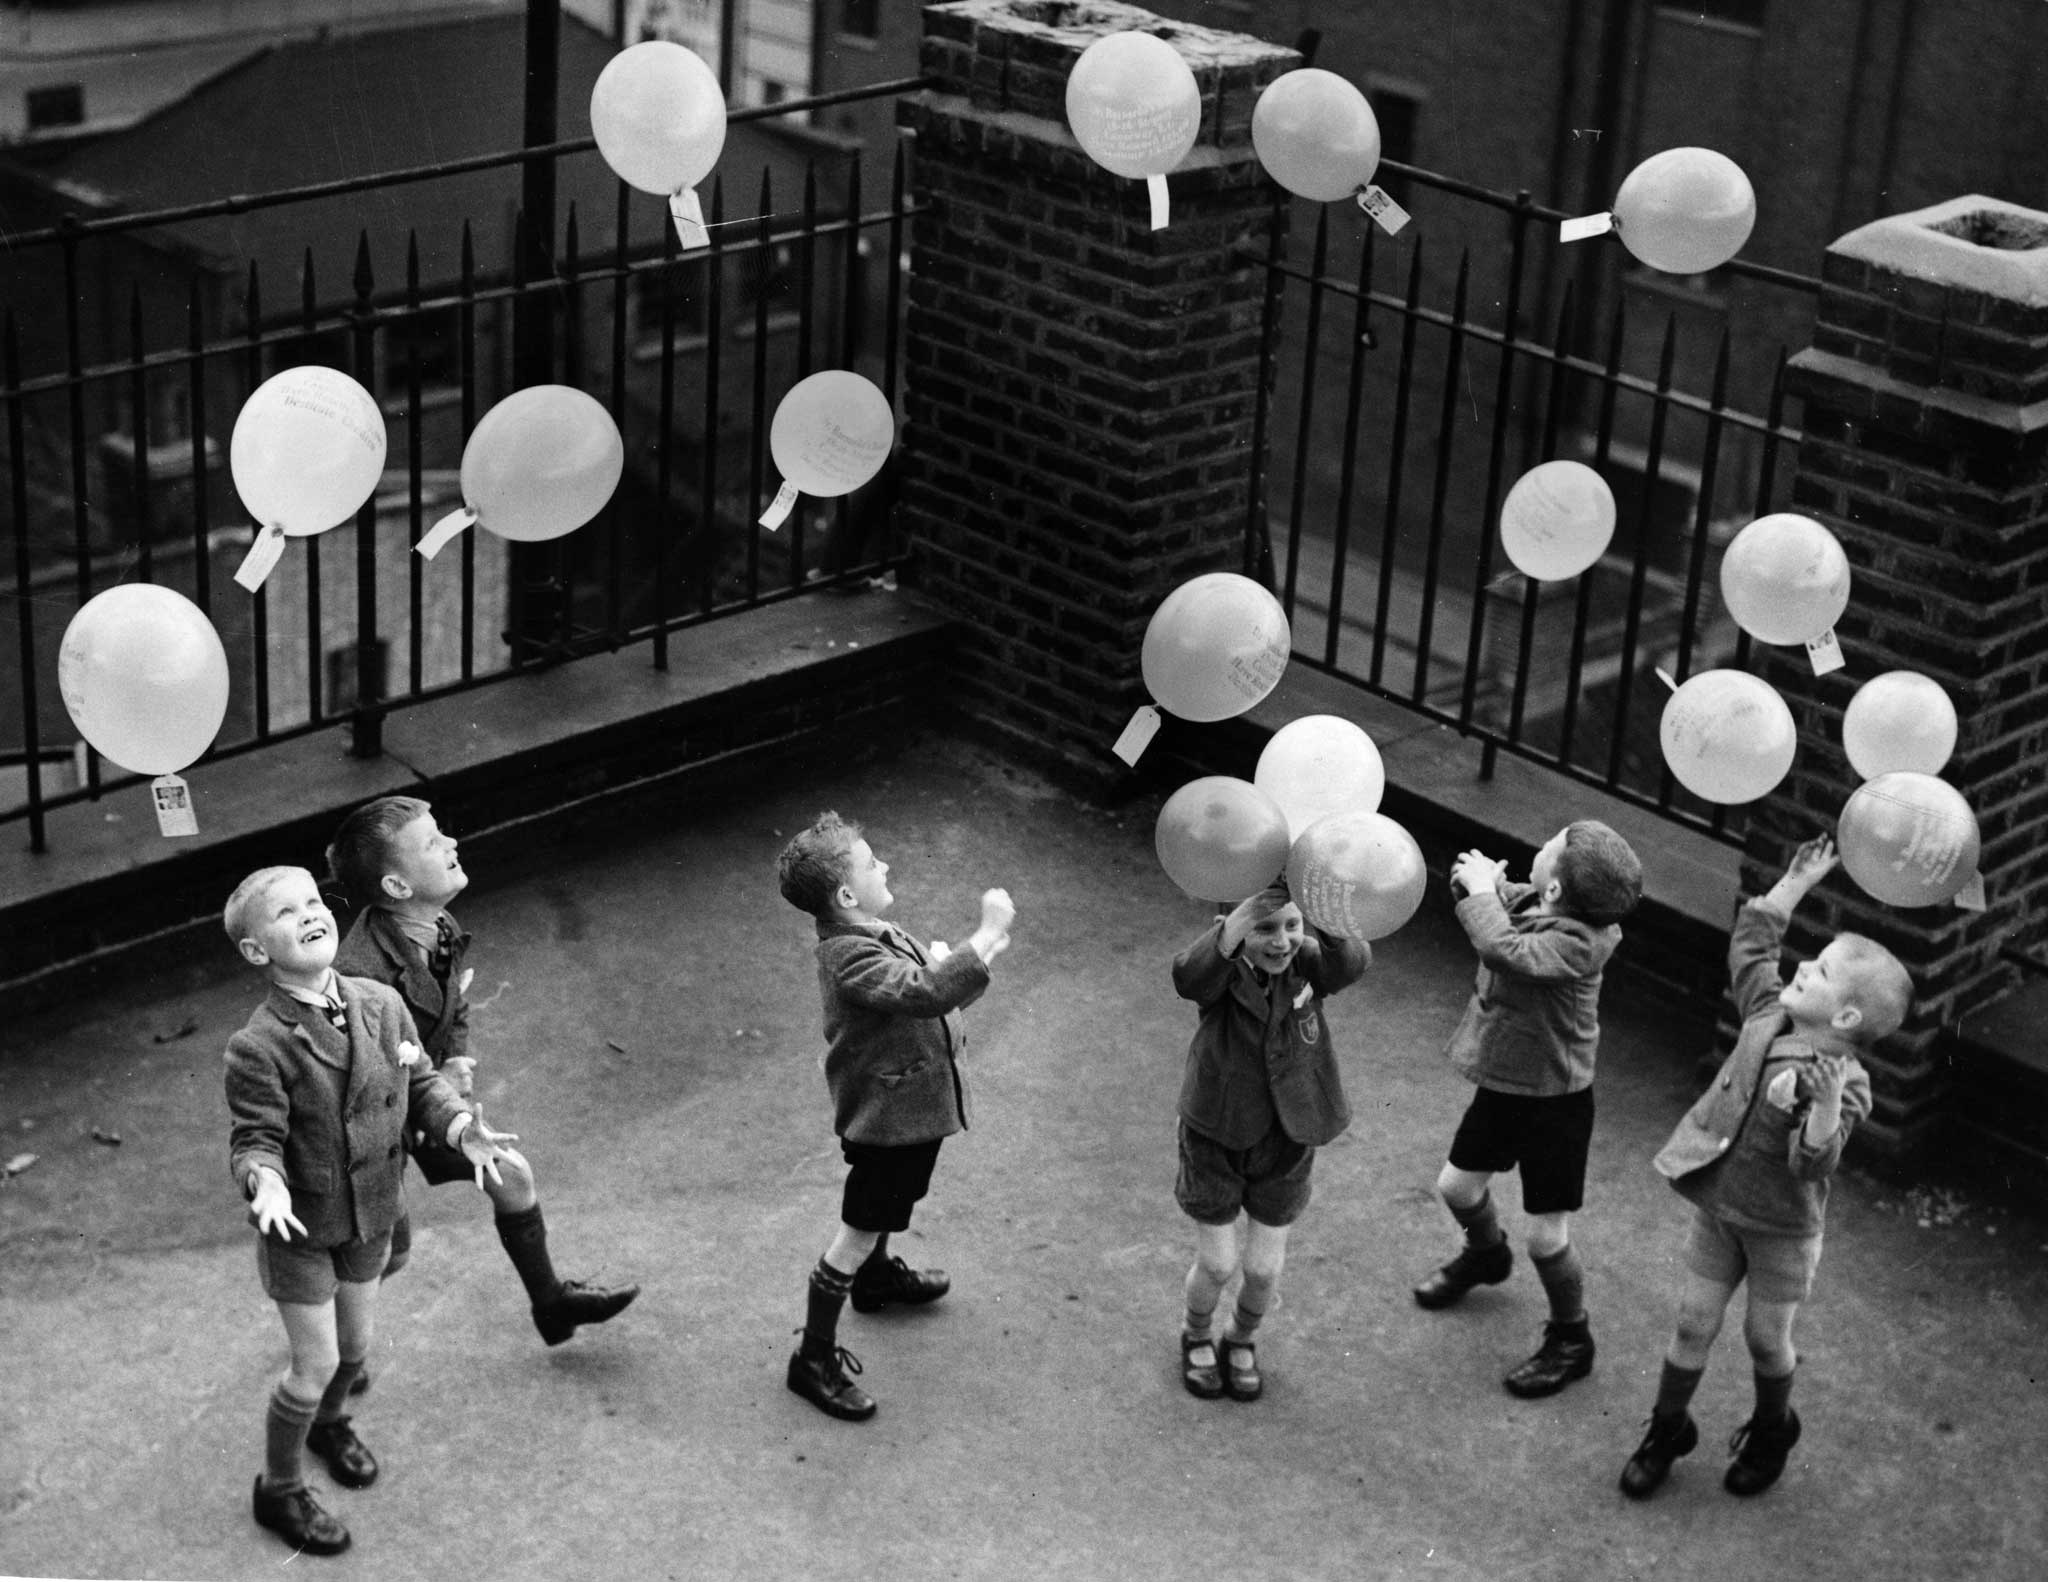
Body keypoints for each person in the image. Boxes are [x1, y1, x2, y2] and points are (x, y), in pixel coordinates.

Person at [223, 865, 515, 1556]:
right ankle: (280, 1487)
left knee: (356, 1350)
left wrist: (457, 1126)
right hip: (304, 1229)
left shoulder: (380, 1002)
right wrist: (263, 1180)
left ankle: (328, 1424)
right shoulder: (257, 1046)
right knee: (315, 1362)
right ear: (258, 952)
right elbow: (254, 1137)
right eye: (287, 913)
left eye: (314, 902)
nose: (310, 914)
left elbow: (421, 1083)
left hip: (372, 1210)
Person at [1620, 833, 1906, 1500]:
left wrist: (1826, 1103)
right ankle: (1668, 1428)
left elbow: (1815, 1164)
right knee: (1693, 1321)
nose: (1804, 966)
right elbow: (1751, 946)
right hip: (1722, 1208)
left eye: (1823, 971)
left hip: (1781, 1228)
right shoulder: (1767, 1014)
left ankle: (1773, 1426)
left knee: (1764, 1338)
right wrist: (1794, 883)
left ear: (1848, 1015)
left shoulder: (1847, 1081)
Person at [326, 796, 638, 1358]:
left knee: (510, 1176)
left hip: (431, 1102)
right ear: (397, 888)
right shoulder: (361, 975)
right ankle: (322, 1333)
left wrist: (456, 1059)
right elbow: (365, 1083)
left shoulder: (436, 924)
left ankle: (552, 1305)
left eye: (442, 832)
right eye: (431, 842)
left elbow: (454, 1002)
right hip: (376, 1129)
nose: (450, 844)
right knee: (386, 1257)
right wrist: (440, 1081)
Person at [775, 811, 1014, 1421]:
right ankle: (813, 1357)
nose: (885, 866)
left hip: (908, 1109)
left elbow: (931, 987)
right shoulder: (846, 955)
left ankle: (876, 1280)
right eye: (872, 862)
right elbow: (923, 992)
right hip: (886, 1116)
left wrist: (960, 966)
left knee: (898, 1197)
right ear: (847, 894)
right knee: (857, 1230)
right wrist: (982, 938)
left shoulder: (873, 930)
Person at [1414, 821, 1643, 1399]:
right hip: (1507, 1084)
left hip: (1557, 1104)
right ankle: (1487, 1253)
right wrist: (1478, 884)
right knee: (1457, 1189)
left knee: (1547, 1238)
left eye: (1549, 848)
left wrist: (1485, 896)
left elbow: (1505, 947)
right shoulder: (1538, 903)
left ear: (1557, 892)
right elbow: (1502, 908)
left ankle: (1571, 1338)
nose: (1538, 848)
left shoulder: (1582, 942)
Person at [1170, 882, 1370, 1402]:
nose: (1281, 941)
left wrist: (1322, 912)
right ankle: (1195, 1333)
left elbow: (1350, 963)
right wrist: (1233, 928)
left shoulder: (1308, 962)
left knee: (1263, 1269)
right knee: (1217, 1264)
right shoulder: (1219, 967)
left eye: (1292, 925)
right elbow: (1188, 977)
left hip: (1289, 1134)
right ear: (1233, 927)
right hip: (1218, 1130)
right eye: (1264, 927)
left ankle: (1241, 1338)